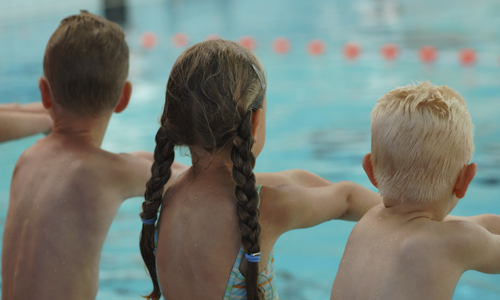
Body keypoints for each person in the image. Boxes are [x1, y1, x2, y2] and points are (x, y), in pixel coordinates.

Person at [138, 39, 383, 300]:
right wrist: (409, 209)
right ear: (254, 121)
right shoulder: (267, 208)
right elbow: (347, 198)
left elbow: (295, 178)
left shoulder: (168, 193)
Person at [1, 11, 186, 300]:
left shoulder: (27, 159)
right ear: (124, 98)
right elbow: (188, 178)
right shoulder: (107, 173)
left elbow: (133, 161)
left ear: (44, 94)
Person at [331, 82, 500, 300]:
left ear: (370, 171)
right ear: (464, 180)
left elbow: (476, 224)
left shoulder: (369, 222)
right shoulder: (456, 241)